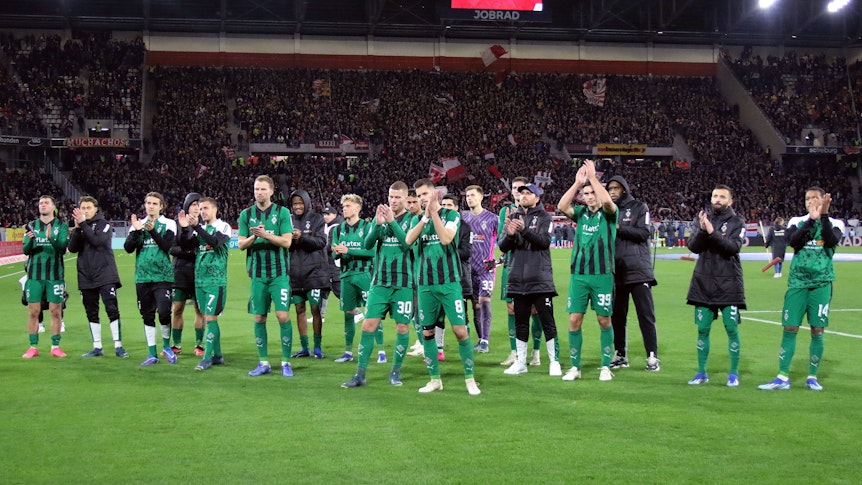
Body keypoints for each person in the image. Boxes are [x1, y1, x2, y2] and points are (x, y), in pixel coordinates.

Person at [759, 188, 844, 391]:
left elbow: (831, 241)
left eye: (815, 198)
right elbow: (793, 242)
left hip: (821, 284)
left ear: (823, 200)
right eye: (807, 198)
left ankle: (812, 376)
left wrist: (823, 217)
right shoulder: (796, 221)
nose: (810, 201)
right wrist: (811, 221)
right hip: (797, 283)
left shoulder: (836, 223)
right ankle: (782, 377)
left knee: (817, 329)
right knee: (790, 328)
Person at [405, 178, 480, 395]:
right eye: (419, 195)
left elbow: (446, 239)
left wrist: (434, 215)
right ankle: (435, 379)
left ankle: (470, 379)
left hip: (449, 283)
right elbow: (408, 240)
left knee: (460, 331)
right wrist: (425, 219)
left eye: (424, 194)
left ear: (435, 194)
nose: (422, 199)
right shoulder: (417, 219)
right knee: (428, 332)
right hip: (425, 285)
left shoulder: (451, 215)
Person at [342, 181, 417, 388]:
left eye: (397, 197)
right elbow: (367, 244)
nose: (393, 201)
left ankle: (395, 372)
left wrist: (391, 222)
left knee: (402, 327)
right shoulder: (381, 219)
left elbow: (407, 244)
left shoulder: (413, 219)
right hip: (379, 283)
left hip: (402, 283)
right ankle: (360, 375)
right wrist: (377, 224)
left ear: (405, 198)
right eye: (391, 197)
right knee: (368, 325)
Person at [557, 161, 617, 381]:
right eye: (587, 194)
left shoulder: (610, 213)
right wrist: (577, 184)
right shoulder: (581, 213)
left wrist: (592, 178)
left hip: (602, 275)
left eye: (593, 193)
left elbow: (608, 202)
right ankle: (575, 367)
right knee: (574, 320)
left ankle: (605, 366)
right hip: (579, 276)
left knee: (604, 320)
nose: (590, 196)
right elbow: (562, 206)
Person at [685, 184, 746, 387]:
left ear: (730, 201)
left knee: (731, 329)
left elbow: (732, 248)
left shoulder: (737, 222)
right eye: (714, 196)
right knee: (702, 329)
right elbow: (693, 247)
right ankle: (701, 372)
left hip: (729, 283)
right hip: (703, 282)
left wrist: (712, 232)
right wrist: (703, 231)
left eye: (722, 197)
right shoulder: (702, 218)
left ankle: (733, 374)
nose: (717, 199)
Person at [499, 184, 561, 377]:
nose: (523, 196)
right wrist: (510, 235)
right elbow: (502, 246)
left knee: (547, 322)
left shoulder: (545, 217)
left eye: (528, 193)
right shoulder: (513, 216)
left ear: (537, 198)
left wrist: (524, 230)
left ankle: (554, 362)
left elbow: (544, 242)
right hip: (518, 280)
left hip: (540, 279)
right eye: (522, 193)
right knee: (521, 323)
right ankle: (520, 363)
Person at [238, 175, 295, 377]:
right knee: (259, 316)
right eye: (256, 189)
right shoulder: (246, 214)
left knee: (282, 315)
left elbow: (287, 242)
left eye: (263, 189)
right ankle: (263, 362)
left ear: (271, 191)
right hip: (258, 275)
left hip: (279, 274)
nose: (259, 192)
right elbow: (240, 244)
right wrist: (254, 236)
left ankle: (286, 362)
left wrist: (266, 235)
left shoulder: (282, 212)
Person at [605, 176, 660, 371]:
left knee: (645, 315)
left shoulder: (639, 207)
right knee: (618, 316)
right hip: (617, 271)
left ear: (624, 189)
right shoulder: (608, 210)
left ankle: (652, 356)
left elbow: (644, 233)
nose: (612, 191)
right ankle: (620, 354)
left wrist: (619, 227)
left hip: (638, 270)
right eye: (610, 188)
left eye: (616, 188)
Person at [68, 195, 129, 358]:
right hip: (85, 275)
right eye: (83, 208)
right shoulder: (81, 227)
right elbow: (72, 248)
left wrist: (83, 224)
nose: (85, 211)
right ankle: (97, 347)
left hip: (105, 274)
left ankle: (118, 346)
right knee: (91, 311)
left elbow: (96, 241)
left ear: (96, 209)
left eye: (88, 208)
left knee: (111, 309)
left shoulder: (105, 225)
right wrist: (78, 229)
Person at [177, 197, 231, 371]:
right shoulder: (199, 230)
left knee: (210, 318)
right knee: (209, 317)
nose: (202, 212)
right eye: (200, 209)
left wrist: (196, 228)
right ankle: (218, 355)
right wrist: (185, 228)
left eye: (206, 208)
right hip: (199, 281)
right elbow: (185, 246)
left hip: (216, 281)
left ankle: (207, 358)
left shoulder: (223, 226)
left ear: (215, 209)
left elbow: (215, 242)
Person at [124, 192, 178, 366]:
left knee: (164, 311)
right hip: (143, 277)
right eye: (148, 203)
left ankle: (167, 347)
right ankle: (152, 353)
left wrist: (152, 230)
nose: (151, 206)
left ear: (161, 206)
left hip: (163, 276)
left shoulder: (169, 224)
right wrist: (136, 231)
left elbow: (167, 246)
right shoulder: (137, 225)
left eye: (155, 203)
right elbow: (128, 248)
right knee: (147, 315)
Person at [498, 176, 545, 367]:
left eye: (522, 189)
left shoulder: (538, 213)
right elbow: (502, 240)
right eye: (515, 188)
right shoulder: (506, 211)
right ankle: (515, 352)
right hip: (511, 266)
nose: (519, 192)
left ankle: (536, 351)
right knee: (511, 309)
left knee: (534, 309)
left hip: (532, 267)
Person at [330, 194, 377, 363]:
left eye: (348, 206)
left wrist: (348, 250)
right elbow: (333, 252)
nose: (344, 209)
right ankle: (348, 352)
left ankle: (381, 352)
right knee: (348, 313)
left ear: (358, 208)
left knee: (372, 312)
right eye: (343, 206)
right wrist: (336, 251)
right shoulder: (338, 229)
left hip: (364, 274)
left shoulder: (367, 226)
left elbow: (372, 252)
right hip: (345, 275)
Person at [21, 195, 70, 359]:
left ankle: (55, 346)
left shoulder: (61, 226)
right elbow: (26, 250)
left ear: (53, 207)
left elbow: (62, 248)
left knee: (55, 311)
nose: (42, 205)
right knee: (33, 311)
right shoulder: (31, 225)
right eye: (41, 203)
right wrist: (30, 242)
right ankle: (33, 347)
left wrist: (51, 238)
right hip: (34, 275)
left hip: (55, 275)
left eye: (46, 203)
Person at [287, 189, 329, 359]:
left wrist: (301, 237)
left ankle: (317, 347)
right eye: (294, 204)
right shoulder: (288, 220)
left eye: (300, 203)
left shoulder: (317, 219)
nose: (297, 206)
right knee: (299, 309)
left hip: (314, 274)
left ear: (306, 203)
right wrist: (290, 239)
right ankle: (304, 348)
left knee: (315, 309)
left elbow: (321, 242)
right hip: (295, 274)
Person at [434, 194, 473, 361]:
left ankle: (466, 347)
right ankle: (439, 350)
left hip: (458, 276)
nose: (446, 208)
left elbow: (467, 252)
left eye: (449, 205)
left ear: (456, 208)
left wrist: (444, 251)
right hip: (437, 276)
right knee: (438, 315)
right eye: (443, 205)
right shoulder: (435, 224)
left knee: (462, 316)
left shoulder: (465, 227)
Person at [461, 185, 499, 353]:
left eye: (473, 195)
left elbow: (507, 241)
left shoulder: (492, 219)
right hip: (467, 269)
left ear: (481, 197)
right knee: (472, 305)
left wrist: (498, 261)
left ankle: (485, 341)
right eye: (467, 195)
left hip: (485, 270)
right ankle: (475, 338)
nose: (469, 198)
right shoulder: (463, 217)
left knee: (483, 303)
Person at [170, 193, 205, 356]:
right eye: (193, 204)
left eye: (199, 204)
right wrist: (190, 251)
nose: (197, 207)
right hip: (180, 273)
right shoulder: (177, 224)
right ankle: (176, 345)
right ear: (187, 206)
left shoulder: (205, 225)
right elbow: (172, 248)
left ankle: (199, 345)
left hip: (199, 274)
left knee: (200, 310)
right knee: (177, 309)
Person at [320, 204, 344, 323]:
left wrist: (318, 247)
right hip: (326, 264)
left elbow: (331, 246)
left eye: (328, 214)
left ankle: (356, 312)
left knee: (338, 290)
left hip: (334, 264)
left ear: (334, 215)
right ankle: (320, 316)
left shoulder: (336, 227)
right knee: (323, 290)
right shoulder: (327, 226)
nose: (325, 216)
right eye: (324, 214)